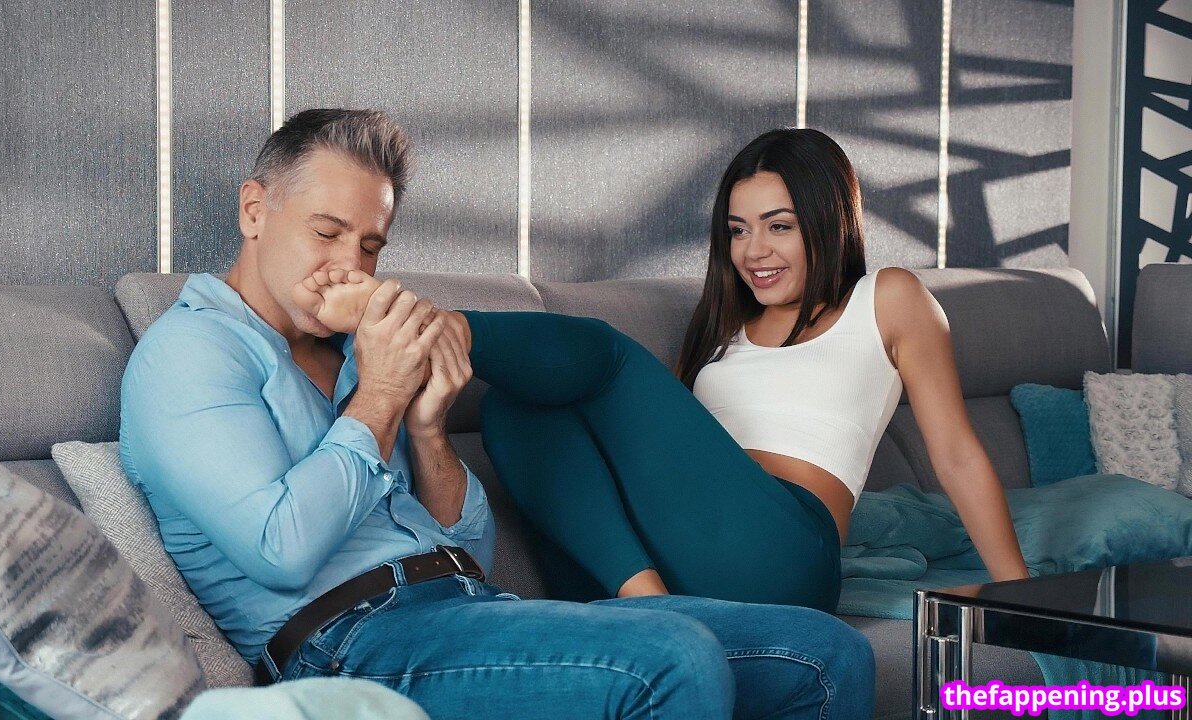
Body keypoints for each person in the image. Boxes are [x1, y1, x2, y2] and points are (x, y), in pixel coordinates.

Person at [120, 109, 875, 719]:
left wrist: (426, 428)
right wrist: (380, 396)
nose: (349, 265)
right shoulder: (191, 353)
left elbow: (467, 550)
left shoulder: (355, 348)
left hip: (465, 605)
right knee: (674, 657)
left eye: (371, 244)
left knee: (827, 653)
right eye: (326, 232)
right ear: (255, 210)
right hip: (348, 645)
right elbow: (279, 547)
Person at [300, 128, 1030, 615]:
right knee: (513, 406)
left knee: (608, 356)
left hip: (783, 556)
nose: (754, 252)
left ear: (828, 219)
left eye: (779, 226)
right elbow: (664, 464)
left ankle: (426, 322)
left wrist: (1017, 589)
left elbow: (957, 453)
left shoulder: (889, 298)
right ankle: (648, 606)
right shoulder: (721, 326)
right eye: (738, 231)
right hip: (677, 562)